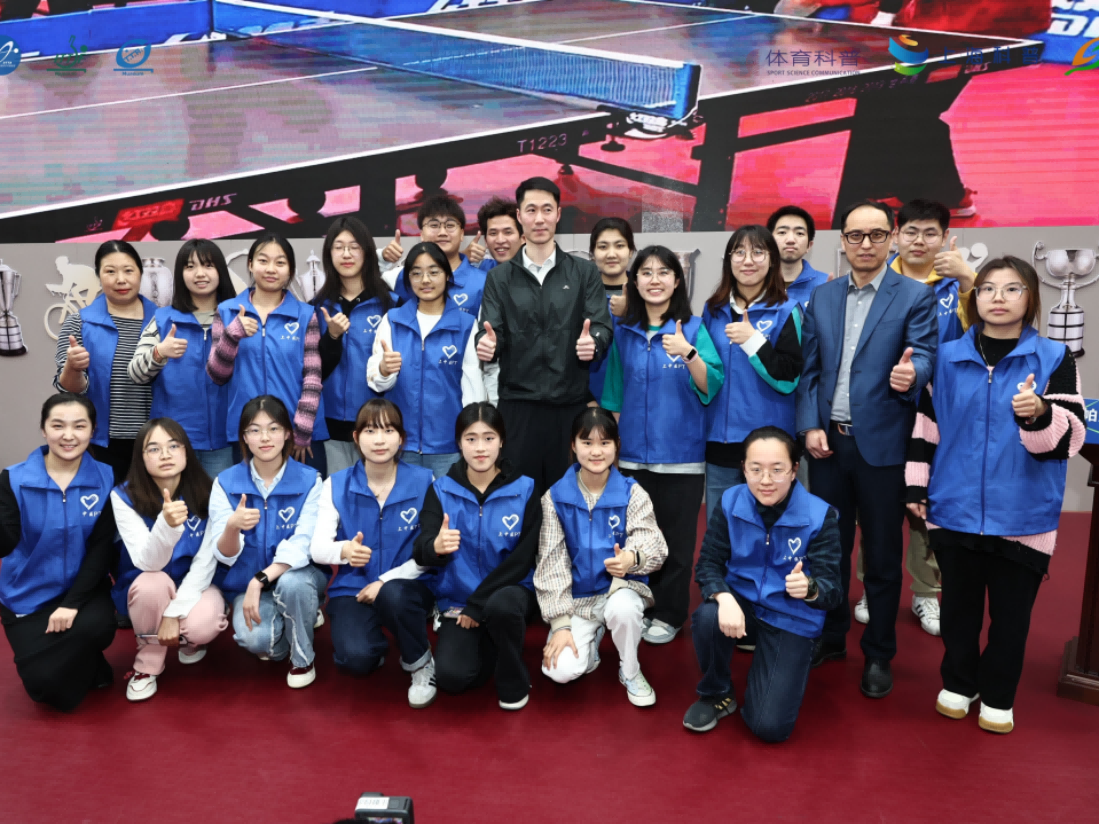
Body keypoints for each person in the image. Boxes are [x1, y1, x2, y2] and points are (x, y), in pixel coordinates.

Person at [906, 257, 1085, 734]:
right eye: (987, 289)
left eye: (1012, 289)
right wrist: (917, 485)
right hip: (953, 507)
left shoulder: (1054, 357)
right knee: (958, 611)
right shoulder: (946, 357)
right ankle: (959, 683)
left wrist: (1038, 413)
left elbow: (1068, 440)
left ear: (1031, 298)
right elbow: (926, 427)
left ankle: (999, 695)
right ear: (975, 297)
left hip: (1024, 513)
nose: (998, 298)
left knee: (1011, 619)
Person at [796, 199, 938, 698]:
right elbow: (810, 371)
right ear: (842, 241)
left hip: (883, 447)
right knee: (828, 550)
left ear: (891, 238)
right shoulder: (823, 296)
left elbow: (925, 355)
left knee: (881, 556)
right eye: (855, 235)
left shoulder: (915, 296)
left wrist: (912, 374)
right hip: (828, 446)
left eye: (877, 235)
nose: (865, 244)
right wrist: (809, 426)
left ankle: (879, 652)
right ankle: (832, 636)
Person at [852, 198, 978, 636]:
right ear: (895, 236)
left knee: (927, 506)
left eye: (930, 233)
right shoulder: (875, 279)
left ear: (945, 237)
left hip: (941, 415)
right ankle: (871, 588)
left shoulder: (957, 285)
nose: (919, 241)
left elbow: (986, 334)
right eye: (910, 232)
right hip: (883, 412)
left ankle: (926, 592)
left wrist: (969, 280)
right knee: (876, 509)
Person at [683, 427, 842, 743]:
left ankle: (781, 664)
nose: (765, 480)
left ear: (794, 470)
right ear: (743, 468)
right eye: (755, 469)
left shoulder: (819, 515)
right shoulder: (731, 501)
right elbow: (708, 563)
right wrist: (724, 597)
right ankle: (717, 692)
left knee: (769, 728)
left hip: (792, 615)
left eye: (777, 469)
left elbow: (833, 591)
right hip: (741, 605)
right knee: (708, 616)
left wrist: (811, 588)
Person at [600, 245, 724, 645]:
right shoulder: (625, 332)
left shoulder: (695, 328)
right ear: (634, 282)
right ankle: (637, 604)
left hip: (681, 457)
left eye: (664, 272)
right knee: (634, 538)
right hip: (632, 458)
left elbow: (711, 384)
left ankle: (669, 613)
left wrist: (689, 354)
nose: (655, 280)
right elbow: (614, 395)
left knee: (675, 541)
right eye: (646, 272)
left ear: (677, 280)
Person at [476, 177, 614, 496]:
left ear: (558, 214)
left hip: (569, 407)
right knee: (518, 500)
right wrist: (487, 344)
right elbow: (490, 330)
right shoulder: (499, 278)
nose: (539, 218)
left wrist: (594, 342)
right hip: (517, 408)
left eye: (547, 210)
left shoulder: (584, 272)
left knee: (568, 501)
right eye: (531, 210)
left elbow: (601, 325)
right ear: (519, 216)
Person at [309, 399, 437, 707]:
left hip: (408, 585)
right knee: (355, 659)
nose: (379, 440)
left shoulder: (424, 481)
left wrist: (385, 582)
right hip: (353, 586)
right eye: (370, 430)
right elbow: (317, 549)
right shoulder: (335, 484)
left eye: (388, 430)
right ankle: (376, 644)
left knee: (393, 595)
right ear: (355, 438)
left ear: (401, 438)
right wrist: (344, 550)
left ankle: (420, 663)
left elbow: (428, 552)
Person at [414, 402, 542, 710]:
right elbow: (420, 551)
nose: (480, 448)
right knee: (452, 678)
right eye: (471, 439)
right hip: (459, 602)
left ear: (502, 441)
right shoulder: (441, 490)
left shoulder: (525, 488)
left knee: (502, 606)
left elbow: (523, 559)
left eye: (489, 438)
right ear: (459, 443)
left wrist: (478, 603)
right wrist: (435, 547)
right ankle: (491, 644)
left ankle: (512, 678)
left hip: (510, 592)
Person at [537, 408, 668, 706]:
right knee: (559, 671)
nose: (596, 452)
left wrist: (632, 558)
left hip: (619, 590)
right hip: (577, 600)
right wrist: (560, 626)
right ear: (573, 445)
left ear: (617, 446)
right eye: (587, 442)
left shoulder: (633, 493)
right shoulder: (554, 498)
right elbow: (551, 564)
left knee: (623, 609)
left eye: (605, 443)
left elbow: (653, 543)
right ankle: (591, 644)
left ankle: (630, 671)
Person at [196, 396, 326, 688]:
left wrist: (260, 580)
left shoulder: (310, 480)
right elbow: (224, 555)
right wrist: (232, 527)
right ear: (244, 437)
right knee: (256, 641)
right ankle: (294, 620)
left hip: (294, 576)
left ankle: (303, 658)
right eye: (255, 430)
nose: (265, 438)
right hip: (244, 583)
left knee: (293, 584)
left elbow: (303, 542)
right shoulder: (225, 483)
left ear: (288, 433)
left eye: (274, 428)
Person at [0, 394, 117, 711]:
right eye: (58, 425)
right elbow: (6, 543)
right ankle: (89, 663)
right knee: (45, 688)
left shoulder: (106, 478)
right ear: (43, 429)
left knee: (101, 626)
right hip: (26, 594)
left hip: (82, 591)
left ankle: (83, 653)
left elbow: (101, 549)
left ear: (92, 430)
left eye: (79, 426)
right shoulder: (13, 479)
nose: (68, 435)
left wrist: (71, 604)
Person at [111, 418, 228, 702]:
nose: (165, 455)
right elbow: (148, 563)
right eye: (154, 449)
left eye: (173, 446)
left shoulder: (210, 491)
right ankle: (147, 665)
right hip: (147, 584)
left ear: (186, 451)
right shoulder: (123, 496)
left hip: (196, 583)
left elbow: (204, 563)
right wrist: (167, 525)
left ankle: (188, 641)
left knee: (203, 625)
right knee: (153, 583)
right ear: (141, 457)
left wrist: (173, 614)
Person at [702, 225, 803, 520]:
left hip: (770, 446)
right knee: (721, 530)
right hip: (720, 443)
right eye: (739, 252)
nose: (748, 260)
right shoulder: (713, 310)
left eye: (758, 252)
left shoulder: (786, 310)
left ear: (772, 260)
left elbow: (789, 378)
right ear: (728, 260)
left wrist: (753, 341)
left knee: (773, 531)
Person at [207, 231, 327, 474]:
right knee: (247, 498)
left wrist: (302, 430)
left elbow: (313, 376)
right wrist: (231, 336)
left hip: (297, 436)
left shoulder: (305, 314)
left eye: (280, 262)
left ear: (290, 270)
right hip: (247, 434)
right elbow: (217, 375)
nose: (271, 269)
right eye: (263, 260)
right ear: (250, 264)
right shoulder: (228, 311)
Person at [367, 242, 485, 479]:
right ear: (408, 279)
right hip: (399, 444)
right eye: (416, 273)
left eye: (433, 272)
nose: (425, 280)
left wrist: (471, 438)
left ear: (447, 275)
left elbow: (473, 391)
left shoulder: (465, 325)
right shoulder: (393, 320)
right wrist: (384, 370)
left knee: (446, 503)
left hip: (449, 447)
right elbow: (376, 382)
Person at [128, 239, 238, 479]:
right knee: (175, 503)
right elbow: (135, 373)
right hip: (172, 442)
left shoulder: (236, 318)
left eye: (208, 265)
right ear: (180, 274)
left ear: (220, 270)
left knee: (221, 502)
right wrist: (159, 352)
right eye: (190, 266)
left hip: (226, 441)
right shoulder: (163, 319)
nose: (200, 274)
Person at [55, 240, 157, 484]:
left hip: (157, 440)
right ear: (99, 276)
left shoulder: (165, 321)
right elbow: (70, 389)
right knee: (106, 505)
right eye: (110, 271)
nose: (120, 279)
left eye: (128, 270)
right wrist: (72, 367)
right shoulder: (79, 323)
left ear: (140, 273)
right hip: (102, 443)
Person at [314, 216, 397, 475]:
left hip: (381, 425)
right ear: (329, 255)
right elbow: (313, 371)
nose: (346, 254)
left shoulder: (392, 305)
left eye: (354, 247)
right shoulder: (316, 308)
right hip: (331, 429)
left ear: (368, 252)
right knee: (337, 495)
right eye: (338, 247)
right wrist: (332, 337)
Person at [379, 194, 488, 317]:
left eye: (450, 225)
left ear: (462, 234)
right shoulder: (399, 277)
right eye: (434, 225)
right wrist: (383, 258)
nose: (442, 232)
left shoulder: (483, 282)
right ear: (421, 234)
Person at [587, 217, 636, 404]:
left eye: (619, 246)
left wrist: (633, 312)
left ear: (631, 251)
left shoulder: (649, 295)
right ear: (592, 253)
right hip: (588, 402)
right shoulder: (578, 296)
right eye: (603, 247)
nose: (611, 254)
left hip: (637, 400)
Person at [767, 205, 829, 311]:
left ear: (809, 246)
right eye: (782, 232)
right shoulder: (755, 284)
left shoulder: (826, 285)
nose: (790, 240)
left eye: (799, 233)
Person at [472, 196, 524, 271]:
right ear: (486, 241)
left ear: (523, 238)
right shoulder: (479, 269)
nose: (500, 240)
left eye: (508, 232)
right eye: (493, 233)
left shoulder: (537, 272)